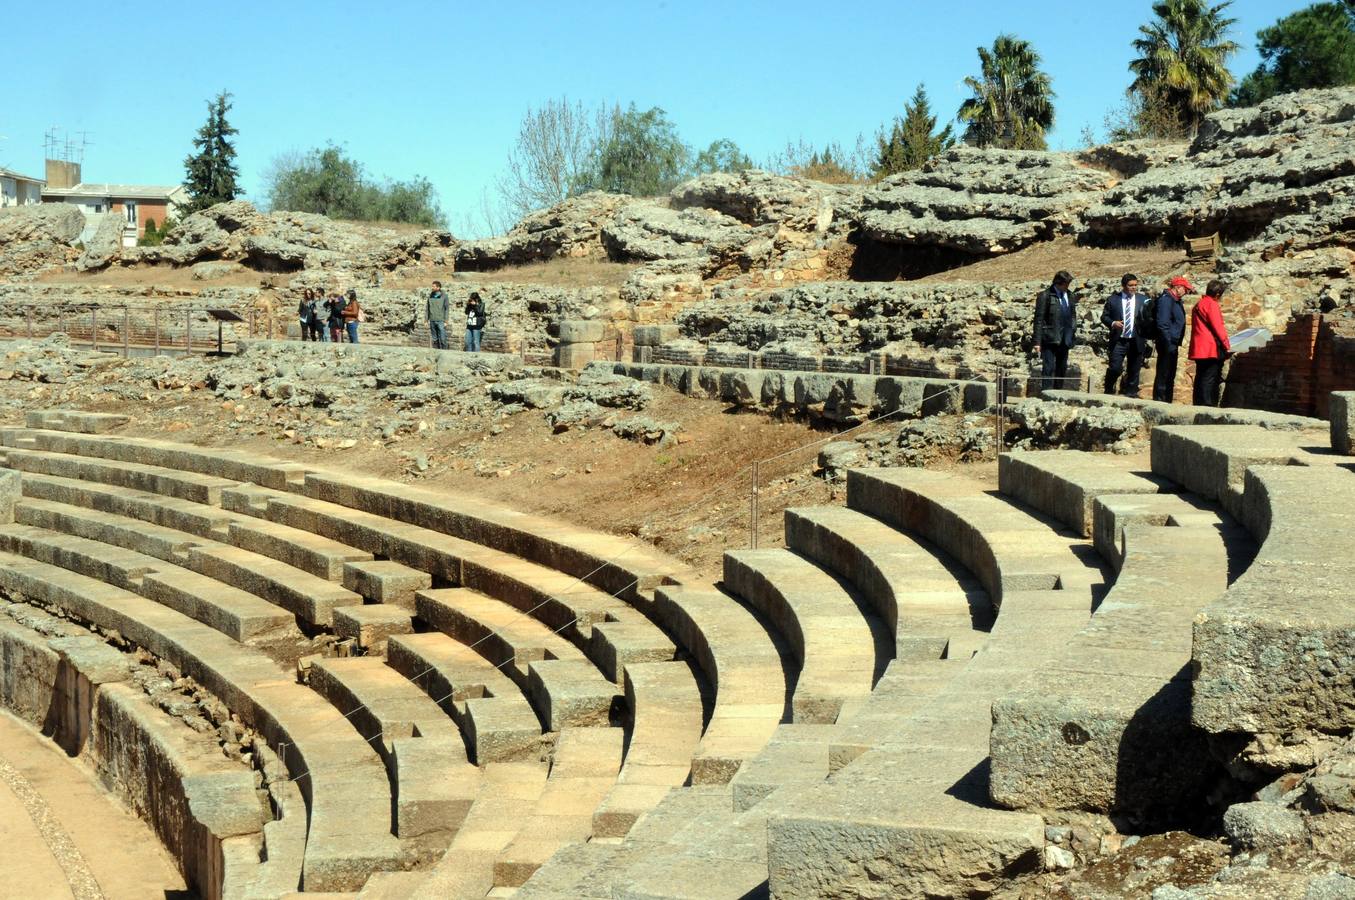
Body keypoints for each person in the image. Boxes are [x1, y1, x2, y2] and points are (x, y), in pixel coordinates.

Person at [1101, 273, 1150, 397]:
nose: (1133, 288)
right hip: (1119, 340)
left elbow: (1149, 318)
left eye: (1135, 285)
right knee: (1115, 367)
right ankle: (1108, 389)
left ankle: (1131, 394)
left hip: (1136, 339)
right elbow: (1104, 316)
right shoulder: (1113, 299)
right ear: (1123, 286)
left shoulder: (1143, 300)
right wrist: (1113, 323)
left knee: (1134, 369)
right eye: (1130, 285)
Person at [1189, 278, 1232, 407]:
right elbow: (1217, 326)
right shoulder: (1211, 304)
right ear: (1217, 294)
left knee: (1200, 376)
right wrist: (1227, 345)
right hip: (1210, 347)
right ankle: (1207, 405)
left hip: (1199, 347)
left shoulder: (1199, 304)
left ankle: (1198, 403)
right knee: (1209, 377)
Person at [1032, 270, 1077, 393]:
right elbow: (1039, 319)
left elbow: (1073, 315)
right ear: (1059, 283)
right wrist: (1037, 342)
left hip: (1066, 338)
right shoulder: (1045, 296)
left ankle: (1058, 392)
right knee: (1048, 367)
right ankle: (1046, 392)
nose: (1068, 286)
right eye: (1066, 283)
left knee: (1062, 367)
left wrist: (1073, 329)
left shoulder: (1070, 295)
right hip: (1050, 337)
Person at [1152, 276, 1194, 402]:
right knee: (1164, 373)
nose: (1186, 292)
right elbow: (1162, 323)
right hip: (1167, 342)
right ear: (1177, 287)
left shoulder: (1176, 300)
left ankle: (1166, 400)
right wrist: (1168, 341)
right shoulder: (1166, 300)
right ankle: (1160, 400)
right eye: (1185, 289)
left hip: (1173, 342)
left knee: (1170, 373)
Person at [427, 281, 450, 350]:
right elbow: (427, 309)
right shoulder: (430, 296)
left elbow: (447, 309)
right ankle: (436, 352)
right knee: (435, 339)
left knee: (443, 338)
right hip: (432, 320)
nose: (432, 288)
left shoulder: (444, 296)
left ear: (438, 287)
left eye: (434, 286)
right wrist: (426, 320)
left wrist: (446, 321)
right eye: (432, 286)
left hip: (441, 320)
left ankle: (445, 352)